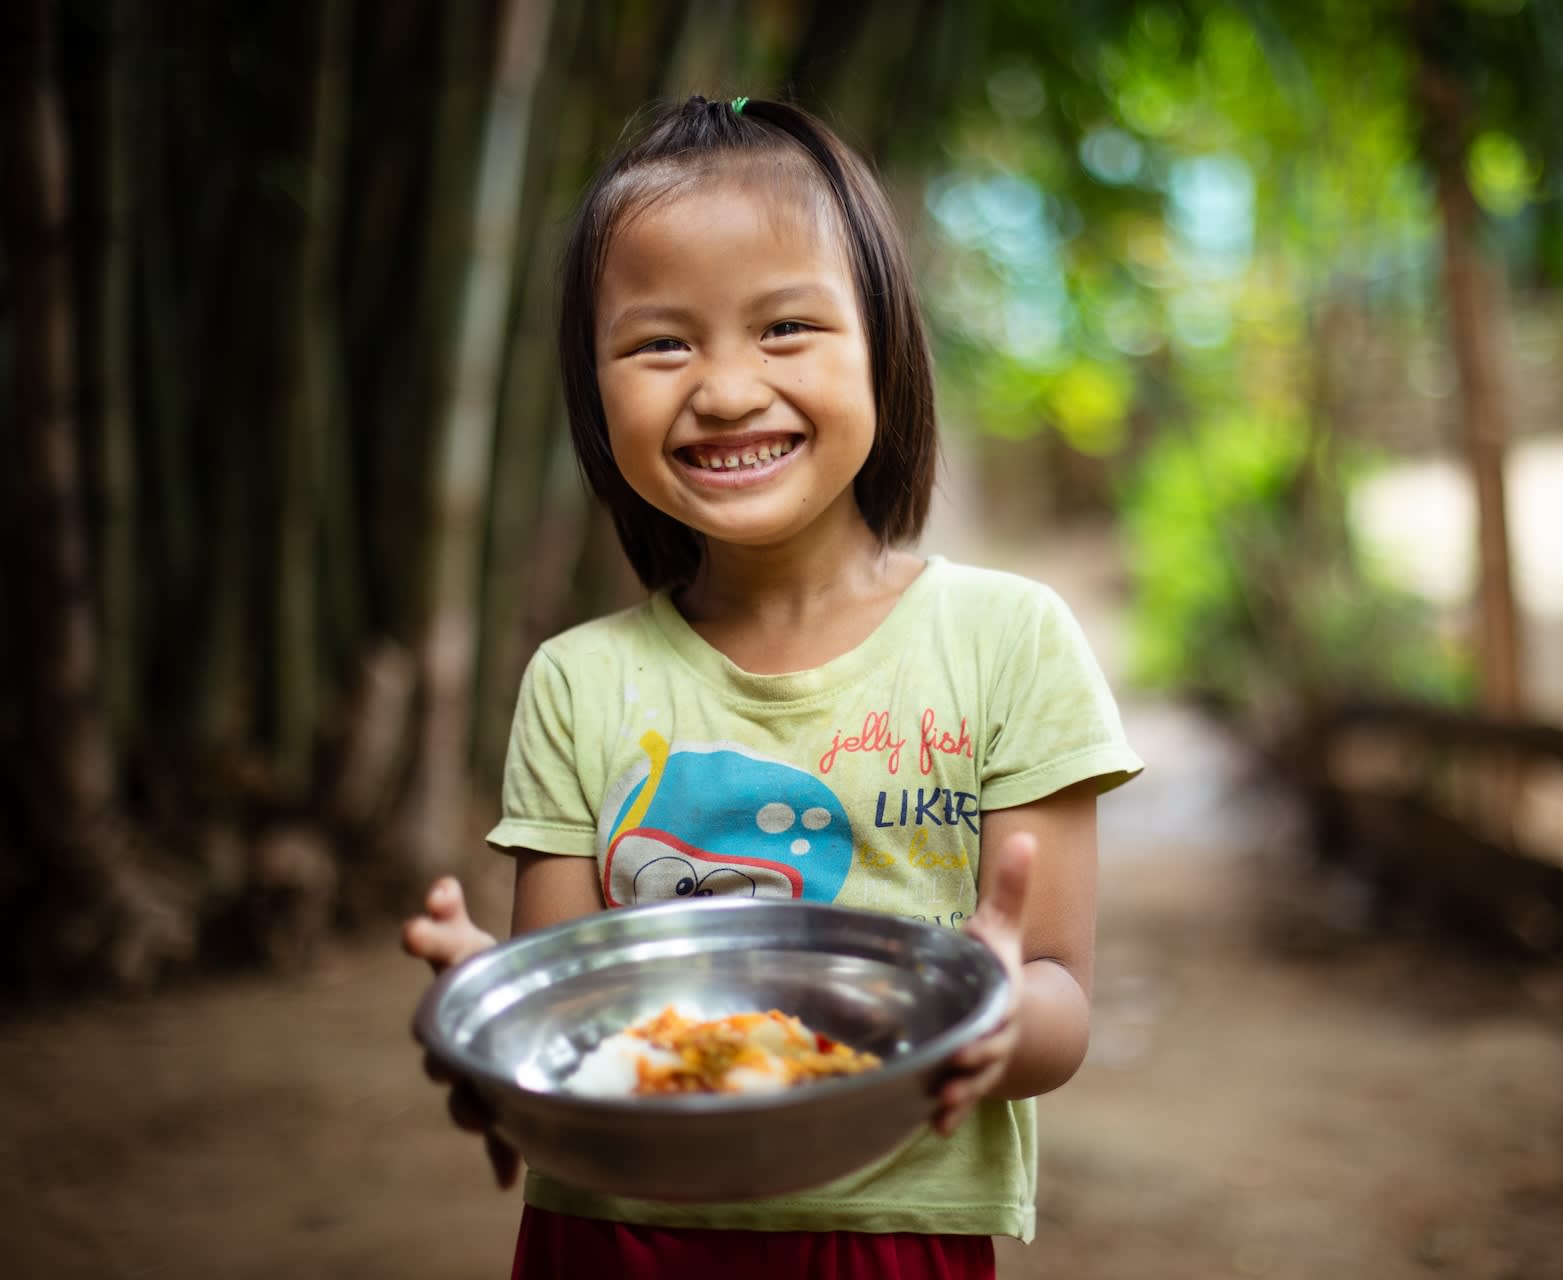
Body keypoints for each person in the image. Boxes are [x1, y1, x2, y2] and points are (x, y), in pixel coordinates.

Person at [403, 94, 1142, 1279]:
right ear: (594, 396)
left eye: (786, 327)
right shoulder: (579, 682)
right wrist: (491, 1023)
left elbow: (1056, 1003)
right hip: (619, 1230)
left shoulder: (1009, 641)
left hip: (888, 1234)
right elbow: (569, 1013)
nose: (730, 389)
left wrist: (993, 1006)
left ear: (885, 349)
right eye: (661, 342)